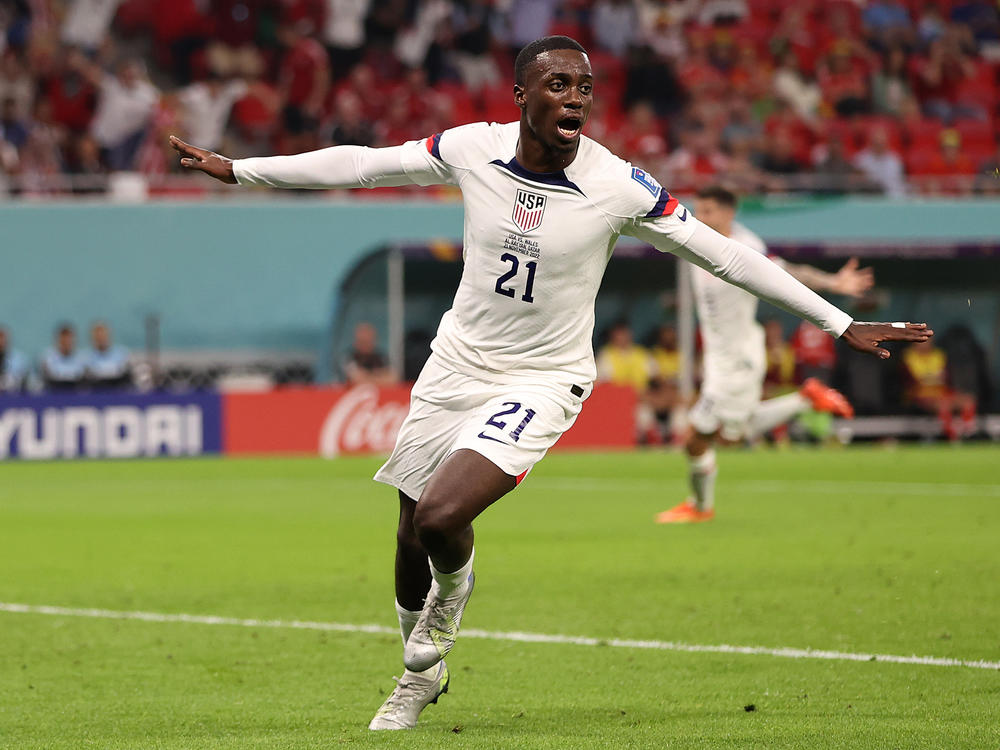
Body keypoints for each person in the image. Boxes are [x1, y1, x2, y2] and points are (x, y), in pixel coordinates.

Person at [169, 36, 932, 731]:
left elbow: (726, 254)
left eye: (586, 87)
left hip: (544, 379)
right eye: (559, 83)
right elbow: (365, 161)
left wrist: (838, 323)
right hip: (457, 363)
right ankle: (421, 671)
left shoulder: (619, 187)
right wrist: (239, 168)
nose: (576, 97)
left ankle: (444, 616)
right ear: (520, 96)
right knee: (407, 530)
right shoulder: (471, 149)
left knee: (440, 519)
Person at [656, 185, 874, 524]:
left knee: (701, 438)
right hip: (722, 359)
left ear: (729, 213)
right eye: (699, 210)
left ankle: (701, 507)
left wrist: (832, 283)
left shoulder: (746, 247)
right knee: (726, 434)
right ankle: (805, 399)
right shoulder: (696, 239)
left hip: (737, 362)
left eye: (710, 211)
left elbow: (785, 272)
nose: (702, 217)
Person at [84, 321, 131, 389]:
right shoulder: (87, 357)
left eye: (103, 335)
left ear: (108, 335)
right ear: (93, 338)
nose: (100, 338)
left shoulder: (121, 354)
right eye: (98, 336)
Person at [41, 323, 87, 391]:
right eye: (63, 339)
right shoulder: (48, 358)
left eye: (69, 339)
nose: (66, 342)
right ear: (58, 340)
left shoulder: (83, 358)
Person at [0, 324, 30, 392]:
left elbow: (25, 380)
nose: (0, 341)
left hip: (14, 397)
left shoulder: (19, 359)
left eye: (2, 337)